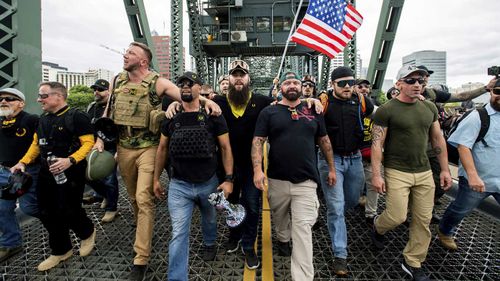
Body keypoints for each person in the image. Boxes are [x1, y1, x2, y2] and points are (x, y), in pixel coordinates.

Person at [164, 61, 323, 270]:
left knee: (252, 204)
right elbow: (190, 101)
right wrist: (174, 104)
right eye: (234, 75)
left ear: (248, 79)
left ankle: (249, 245)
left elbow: (289, 102)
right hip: (225, 165)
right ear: (228, 79)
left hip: (250, 166)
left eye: (242, 75)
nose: (238, 78)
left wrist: (310, 99)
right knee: (227, 204)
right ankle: (234, 235)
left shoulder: (263, 101)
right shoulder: (216, 101)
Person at [93, 42, 220, 280]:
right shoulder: (117, 80)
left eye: (130, 52)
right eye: (125, 51)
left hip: (148, 147)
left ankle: (140, 258)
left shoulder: (157, 82)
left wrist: (207, 101)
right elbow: (108, 113)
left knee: (144, 199)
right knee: (133, 197)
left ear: (143, 61)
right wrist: (100, 140)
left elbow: (184, 95)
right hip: (124, 145)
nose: (124, 54)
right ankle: (141, 225)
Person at [370, 65, 452, 281]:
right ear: (399, 84)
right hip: (397, 170)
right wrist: (377, 174)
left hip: (424, 171)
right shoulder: (387, 110)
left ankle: (413, 261)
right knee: (396, 216)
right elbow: (377, 144)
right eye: (411, 80)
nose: (417, 84)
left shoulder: (429, 109)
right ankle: (379, 226)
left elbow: (437, 139)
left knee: (422, 220)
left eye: (421, 81)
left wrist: (444, 169)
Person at [252, 72, 335, 281]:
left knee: (303, 231)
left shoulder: (313, 110)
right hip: (278, 180)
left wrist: (332, 168)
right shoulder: (269, 112)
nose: (292, 85)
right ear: (280, 87)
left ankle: (303, 278)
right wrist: (258, 170)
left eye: (295, 82)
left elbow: (324, 141)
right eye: (287, 82)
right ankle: (282, 238)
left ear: (302, 87)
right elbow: (257, 142)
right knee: (280, 222)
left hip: (306, 182)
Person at [153, 72, 234, 281]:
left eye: (191, 83)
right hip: (179, 185)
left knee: (209, 219)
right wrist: (155, 179)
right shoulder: (171, 116)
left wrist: (228, 179)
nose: (185, 86)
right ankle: (177, 278)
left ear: (200, 88)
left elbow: (225, 147)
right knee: (179, 233)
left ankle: (209, 242)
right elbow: (162, 148)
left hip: (208, 182)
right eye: (181, 83)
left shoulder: (213, 115)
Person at [11, 82, 96, 271]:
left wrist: (70, 160)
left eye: (43, 96)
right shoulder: (43, 119)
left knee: (70, 209)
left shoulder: (76, 116)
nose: (39, 100)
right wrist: (23, 162)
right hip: (46, 172)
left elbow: (88, 143)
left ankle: (87, 232)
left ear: (59, 96)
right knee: (47, 211)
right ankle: (61, 250)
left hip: (71, 172)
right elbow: (35, 145)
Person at [317, 66, 374, 276]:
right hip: (331, 160)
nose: (348, 86)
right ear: (333, 84)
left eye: (351, 82)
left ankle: (332, 211)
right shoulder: (323, 102)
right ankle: (340, 254)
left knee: (351, 200)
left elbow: (381, 114)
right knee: (337, 207)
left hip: (355, 158)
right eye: (342, 83)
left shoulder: (361, 101)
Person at [416, 65, 496, 211]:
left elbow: (460, 97)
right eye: (417, 77)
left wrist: (485, 88)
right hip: (410, 147)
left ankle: (426, 208)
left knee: (440, 180)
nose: (423, 79)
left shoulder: (432, 94)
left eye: (425, 76)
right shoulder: (400, 94)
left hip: (431, 145)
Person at [436, 80, 500, 251]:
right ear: (491, 92)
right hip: (479, 179)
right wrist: (472, 175)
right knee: (460, 209)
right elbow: (463, 145)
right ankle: (445, 230)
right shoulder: (478, 116)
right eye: (498, 91)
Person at [0, 88, 40, 263]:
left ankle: (63, 219)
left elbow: (41, 144)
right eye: (0, 99)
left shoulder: (31, 120)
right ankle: (11, 243)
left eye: (10, 98)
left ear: (21, 103)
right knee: (2, 209)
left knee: (29, 208)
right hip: (4, 172)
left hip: (26, 172)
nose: (3, 102)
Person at [86, 79, 119, 223]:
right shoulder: (92, 107)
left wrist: (118, 150)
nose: (96, 92)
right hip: (93, 147)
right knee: (88, 175)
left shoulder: (115, 108)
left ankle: (111, 208)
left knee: (109, 178)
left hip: (110, 147)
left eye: (99, 89)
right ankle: (104, 195)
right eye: (95, 89)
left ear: (108, 91)